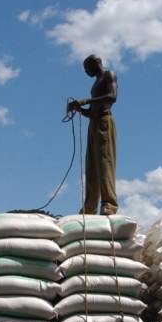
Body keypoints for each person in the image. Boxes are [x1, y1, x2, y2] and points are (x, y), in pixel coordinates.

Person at [66, 54, 118, 216]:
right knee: (92, 166)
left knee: (104, 162)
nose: (85, 71)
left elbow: (112, 97)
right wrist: (78, 109)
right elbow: (91, 112)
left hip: (104, 121)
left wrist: (86, 101)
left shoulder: (109, 75)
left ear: (96, 63)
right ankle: (90, 208)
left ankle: (109, 204)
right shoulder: (95, 84)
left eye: (87, 67)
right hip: (94, 122)